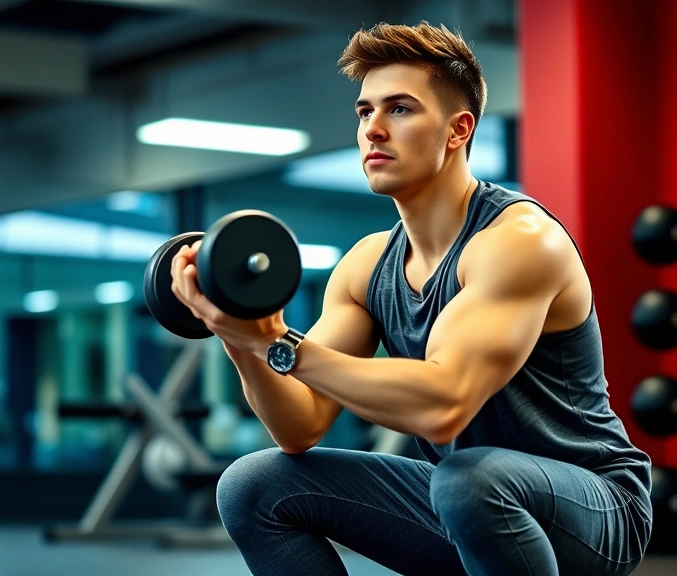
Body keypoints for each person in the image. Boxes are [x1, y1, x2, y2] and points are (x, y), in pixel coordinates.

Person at [171, 21, 652, 576]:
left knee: (469, 478)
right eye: (363, 111)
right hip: (465, 500)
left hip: (593, 508)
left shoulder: (517, 241)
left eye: (399, 109)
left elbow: (443, 407)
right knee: (254, 485)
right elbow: (298, 425)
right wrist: (241, 336)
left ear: (457, 130)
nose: (373, 129)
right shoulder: (367, 265)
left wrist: (278, 343)